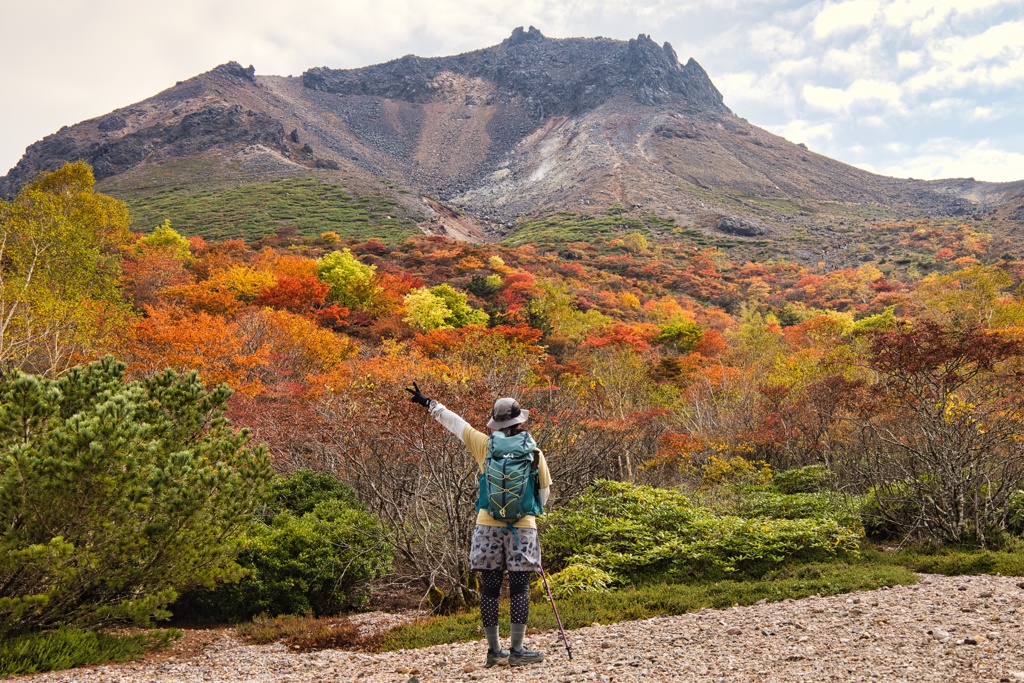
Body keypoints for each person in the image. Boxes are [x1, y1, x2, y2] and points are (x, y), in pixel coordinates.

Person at [406, 383, 550, 668]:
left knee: (490, 589)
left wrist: (428, 403)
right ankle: (518, 651)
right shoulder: (534, 452)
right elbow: (543, 494)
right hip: (524, 527)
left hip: (487, 525)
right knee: (520, 589)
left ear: (496, 423)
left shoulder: (484, 445)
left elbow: (456, 424)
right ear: (520, 421)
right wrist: (528, 513)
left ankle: (494, 651)